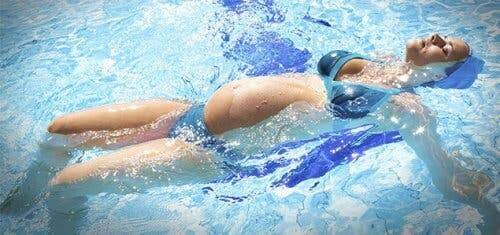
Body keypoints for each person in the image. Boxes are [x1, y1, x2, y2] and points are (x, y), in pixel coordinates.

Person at [3, 33, 497, 231]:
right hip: (187, 113)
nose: (435, 37)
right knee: (59, 131)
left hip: (211, 151)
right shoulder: (375, 65)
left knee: (66, 189)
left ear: (445, 74)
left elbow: (444, 173)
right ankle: (19, 201)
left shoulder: (408, 108)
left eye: (447, 46)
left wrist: (483, 204)